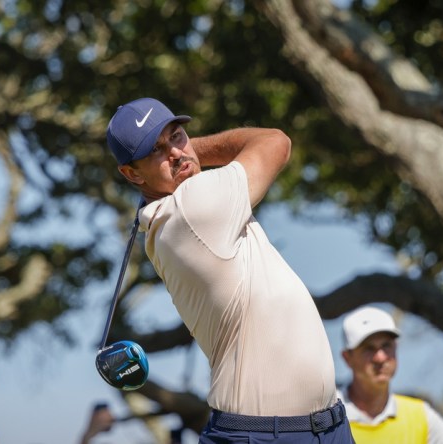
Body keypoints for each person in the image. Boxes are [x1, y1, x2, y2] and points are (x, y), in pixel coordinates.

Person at [106, 97, 354, 443]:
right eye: (155, 151)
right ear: (132, 173)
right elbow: (275, 143)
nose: (175, 153)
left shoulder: (175, 212)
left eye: (177, 135)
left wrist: (182, 152)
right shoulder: (193, 206)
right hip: (264, 435)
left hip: (327, 427)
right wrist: (195, 150)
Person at [338, 306, 443, 443]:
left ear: (396, 347)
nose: (380, 358)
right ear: (347, 358)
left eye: (386, 345)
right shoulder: (326, 417)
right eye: (368, 349)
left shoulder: (419, 416)